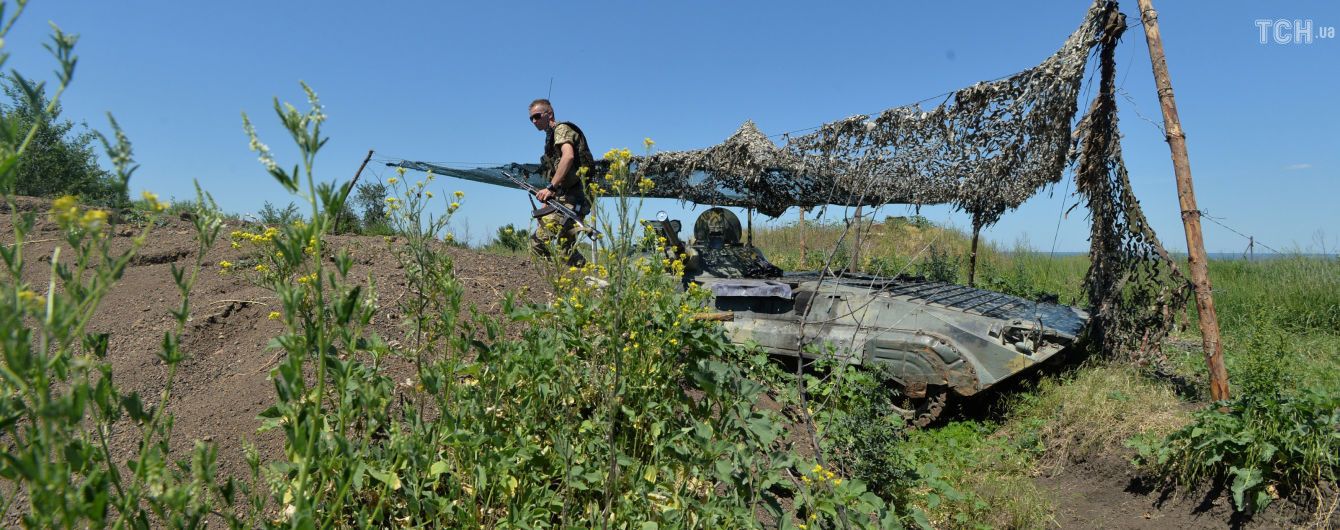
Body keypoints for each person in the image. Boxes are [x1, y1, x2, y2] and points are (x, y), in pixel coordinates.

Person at [528, 98, 594, 267]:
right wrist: (546, 203)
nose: (534, 121)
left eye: (537, 116)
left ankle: (555, 274)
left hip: (576, 197)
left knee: (538, 243)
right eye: (531, 118)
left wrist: (550, 188)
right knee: (565, 251)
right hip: (565, 196)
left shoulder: (561, 129)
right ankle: (567, 276)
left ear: (549, 114)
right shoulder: (550, 139)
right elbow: (556, 172)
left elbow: (568, 156)